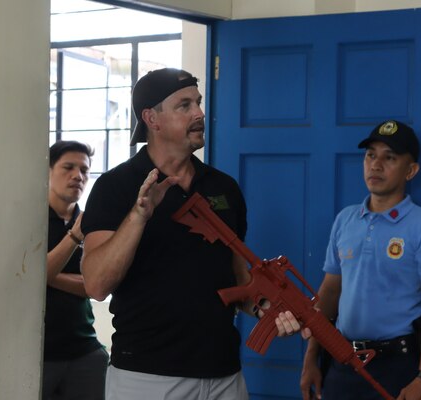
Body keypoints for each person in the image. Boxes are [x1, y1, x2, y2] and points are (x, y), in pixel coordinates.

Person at [80, 68, 300, 400]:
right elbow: (96, 284)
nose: (199, 114)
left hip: (224, 374)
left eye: (198, 103)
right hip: (146, 376)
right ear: (151, 118)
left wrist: (266, 308)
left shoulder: (223, 188)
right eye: (184, 105)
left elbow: (237, 278)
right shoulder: (116, 186)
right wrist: (139, 216)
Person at [300, 120, 421, 400]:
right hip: (342, 361)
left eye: (390, 157)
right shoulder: (345, 221)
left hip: (397, 367)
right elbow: (329, 293)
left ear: (411, 171)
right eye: (371, 155)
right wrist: (311, 356)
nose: (376, 164)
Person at [44, 140, 108, 400]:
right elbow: (21, 279)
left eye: (84, 170)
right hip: (38, 352)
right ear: (47, 171)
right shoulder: (26, 217)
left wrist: (46, 276)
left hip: (85, 349)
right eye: (68, 167)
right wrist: (73, 237)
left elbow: (96, 286)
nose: (77, 176)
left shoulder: (93, 222)